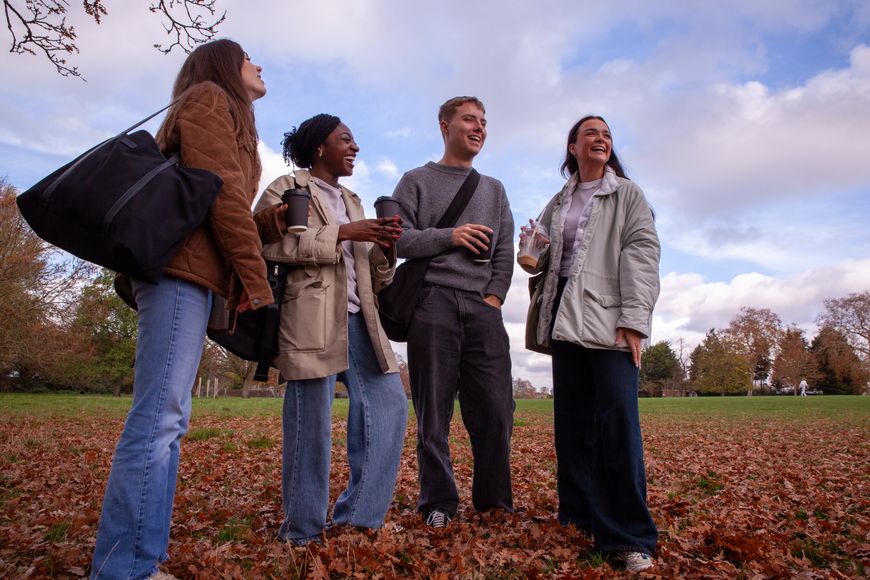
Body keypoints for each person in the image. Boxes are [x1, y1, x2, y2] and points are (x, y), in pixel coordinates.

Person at [91, 40, 286, 579]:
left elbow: (219, 203)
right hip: (178, 272)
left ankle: (142, 558)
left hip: (194, 274)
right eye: (249, 57)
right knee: (160, 418)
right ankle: (124, 567)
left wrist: (269, 224)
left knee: (169, 420)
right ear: (225, 66)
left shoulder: (233, 119)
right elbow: (219, 197)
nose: (260, 64)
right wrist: (255, 280)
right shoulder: (207, 98)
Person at [255, 114, 408, 545]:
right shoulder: (286, 188)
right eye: (346, 139)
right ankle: (301, 531)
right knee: (311, 422)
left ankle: (358, 520)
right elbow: (266, 243)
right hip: (310, 318)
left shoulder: (355, 200)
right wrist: (341, 233)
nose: (355, 147)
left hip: (362, 320)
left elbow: (374, 278)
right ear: (320, 147)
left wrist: (385, 250)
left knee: (390, 408)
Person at [519, 115, 660, 572]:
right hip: (564, 323)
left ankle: (626, 536)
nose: (601, 139)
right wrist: (532, 249)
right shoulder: (557, 203)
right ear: (573, 147)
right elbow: (541, 263)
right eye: (591, 134)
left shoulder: (627, 195)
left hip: (610, 325)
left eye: (607, 135)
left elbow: (642, 253)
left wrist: (635, 321)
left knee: (616, 428)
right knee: (573, 429)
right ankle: (578, 520)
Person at [393, 96, 515, 528]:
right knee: (433, 414)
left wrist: (495, 297)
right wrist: (451, 236)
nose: (479, 127)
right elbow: (397, 240)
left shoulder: (494, 189)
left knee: (497, 411)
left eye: (484, 121)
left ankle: (495, 503)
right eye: (470, 119)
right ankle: (439, 503)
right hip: (433, 302)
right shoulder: (416, 181)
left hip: (483, 309)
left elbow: (505, 249)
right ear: (445, 125)